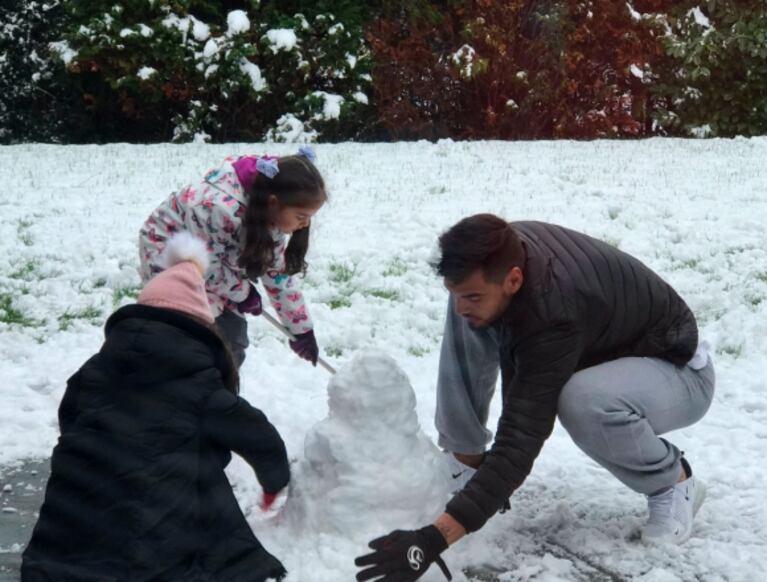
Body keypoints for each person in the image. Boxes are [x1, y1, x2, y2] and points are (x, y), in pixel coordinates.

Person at [355, 214, 715, 581]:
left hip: (676, 371)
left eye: (473, 295)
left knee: (581, 401)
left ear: (514, 279)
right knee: (471, 312)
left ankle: (673, 482)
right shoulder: (502, 250)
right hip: (596, 350)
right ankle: (467, 458)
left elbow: (520, 438)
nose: (463, 305)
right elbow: (483, 311)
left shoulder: (551, 313)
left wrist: (433, 539)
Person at [22, 234, 291, 582]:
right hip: (149, 549)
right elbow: (258, 436)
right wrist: (274, 483)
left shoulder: (93, 371)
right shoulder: (199, 385)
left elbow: (69, 420)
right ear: (200, 326)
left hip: (65, 536)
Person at [139, 146, 327, 368]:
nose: (304, 224)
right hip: (170, 250)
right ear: (274, 202)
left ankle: (217, 384)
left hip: (215, 257)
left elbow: (277, 274)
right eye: (301, 216)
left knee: (233, 339)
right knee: (195, 329)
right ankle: (175, 377)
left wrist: (301, 329)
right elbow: (206, 267)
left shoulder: (271, 211)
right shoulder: (217, 208)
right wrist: (243, 293)